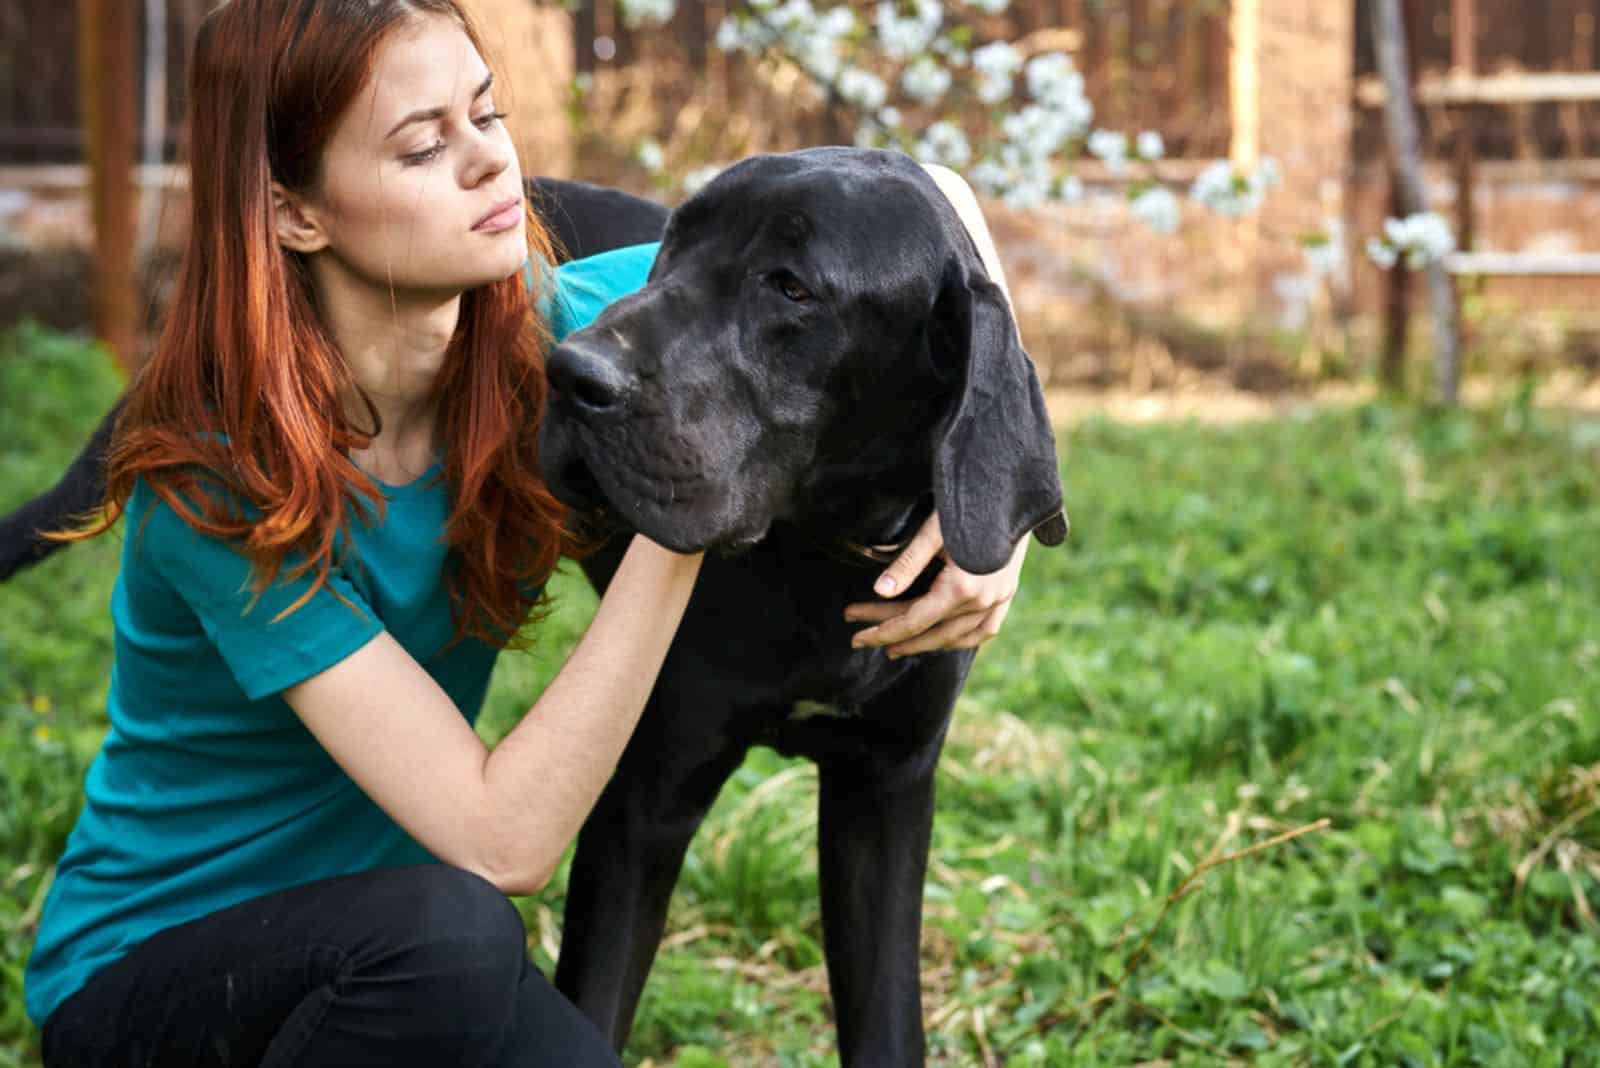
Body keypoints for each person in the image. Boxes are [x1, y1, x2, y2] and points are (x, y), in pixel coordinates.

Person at [23, 1, 1031, 1065]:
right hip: (156, 982)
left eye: (487, 114)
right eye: (422, 144)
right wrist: (681, 501)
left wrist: (989, 511)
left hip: (388, 958)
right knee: (462, 931)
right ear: (294, 212)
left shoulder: (550, 329)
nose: (488, 163)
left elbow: (916, 233)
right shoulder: (220, 477)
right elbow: (502, 842)